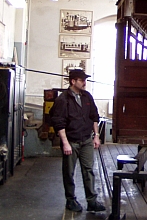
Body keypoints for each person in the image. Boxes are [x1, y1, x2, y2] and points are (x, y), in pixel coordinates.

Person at [51, 69, 106, 213]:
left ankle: (92, 201)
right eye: (81, 80)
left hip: (86, 140)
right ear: (73, 81)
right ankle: (70, 200)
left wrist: (96, 136)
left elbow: (94, 117)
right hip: (72, 141)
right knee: (69, 172)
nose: (84, 83)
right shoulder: (63, 100)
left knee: (88, 170)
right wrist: (65, 143)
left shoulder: (87, 97)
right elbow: (59, 122)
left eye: (85, 80)